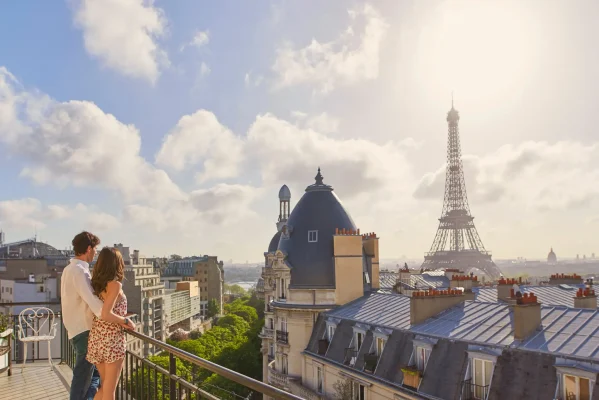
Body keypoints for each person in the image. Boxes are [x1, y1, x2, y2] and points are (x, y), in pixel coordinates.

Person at [87, 247, 134, 400]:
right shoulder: (115, 285)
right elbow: (106, 314)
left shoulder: (97, 285)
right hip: (112, 340)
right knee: (109, 391)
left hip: (97, 338)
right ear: (117, 264)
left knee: (105, 386)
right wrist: (126, 321)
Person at [61, 231, 104, 400]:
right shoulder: (80, 271)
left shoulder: (68, 269)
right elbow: (93, 302)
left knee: (92, 376)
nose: (95, 253)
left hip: (75, 328)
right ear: (88, 248)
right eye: (95, 249)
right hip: (84, 330)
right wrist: (116, 317)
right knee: (83, 377)